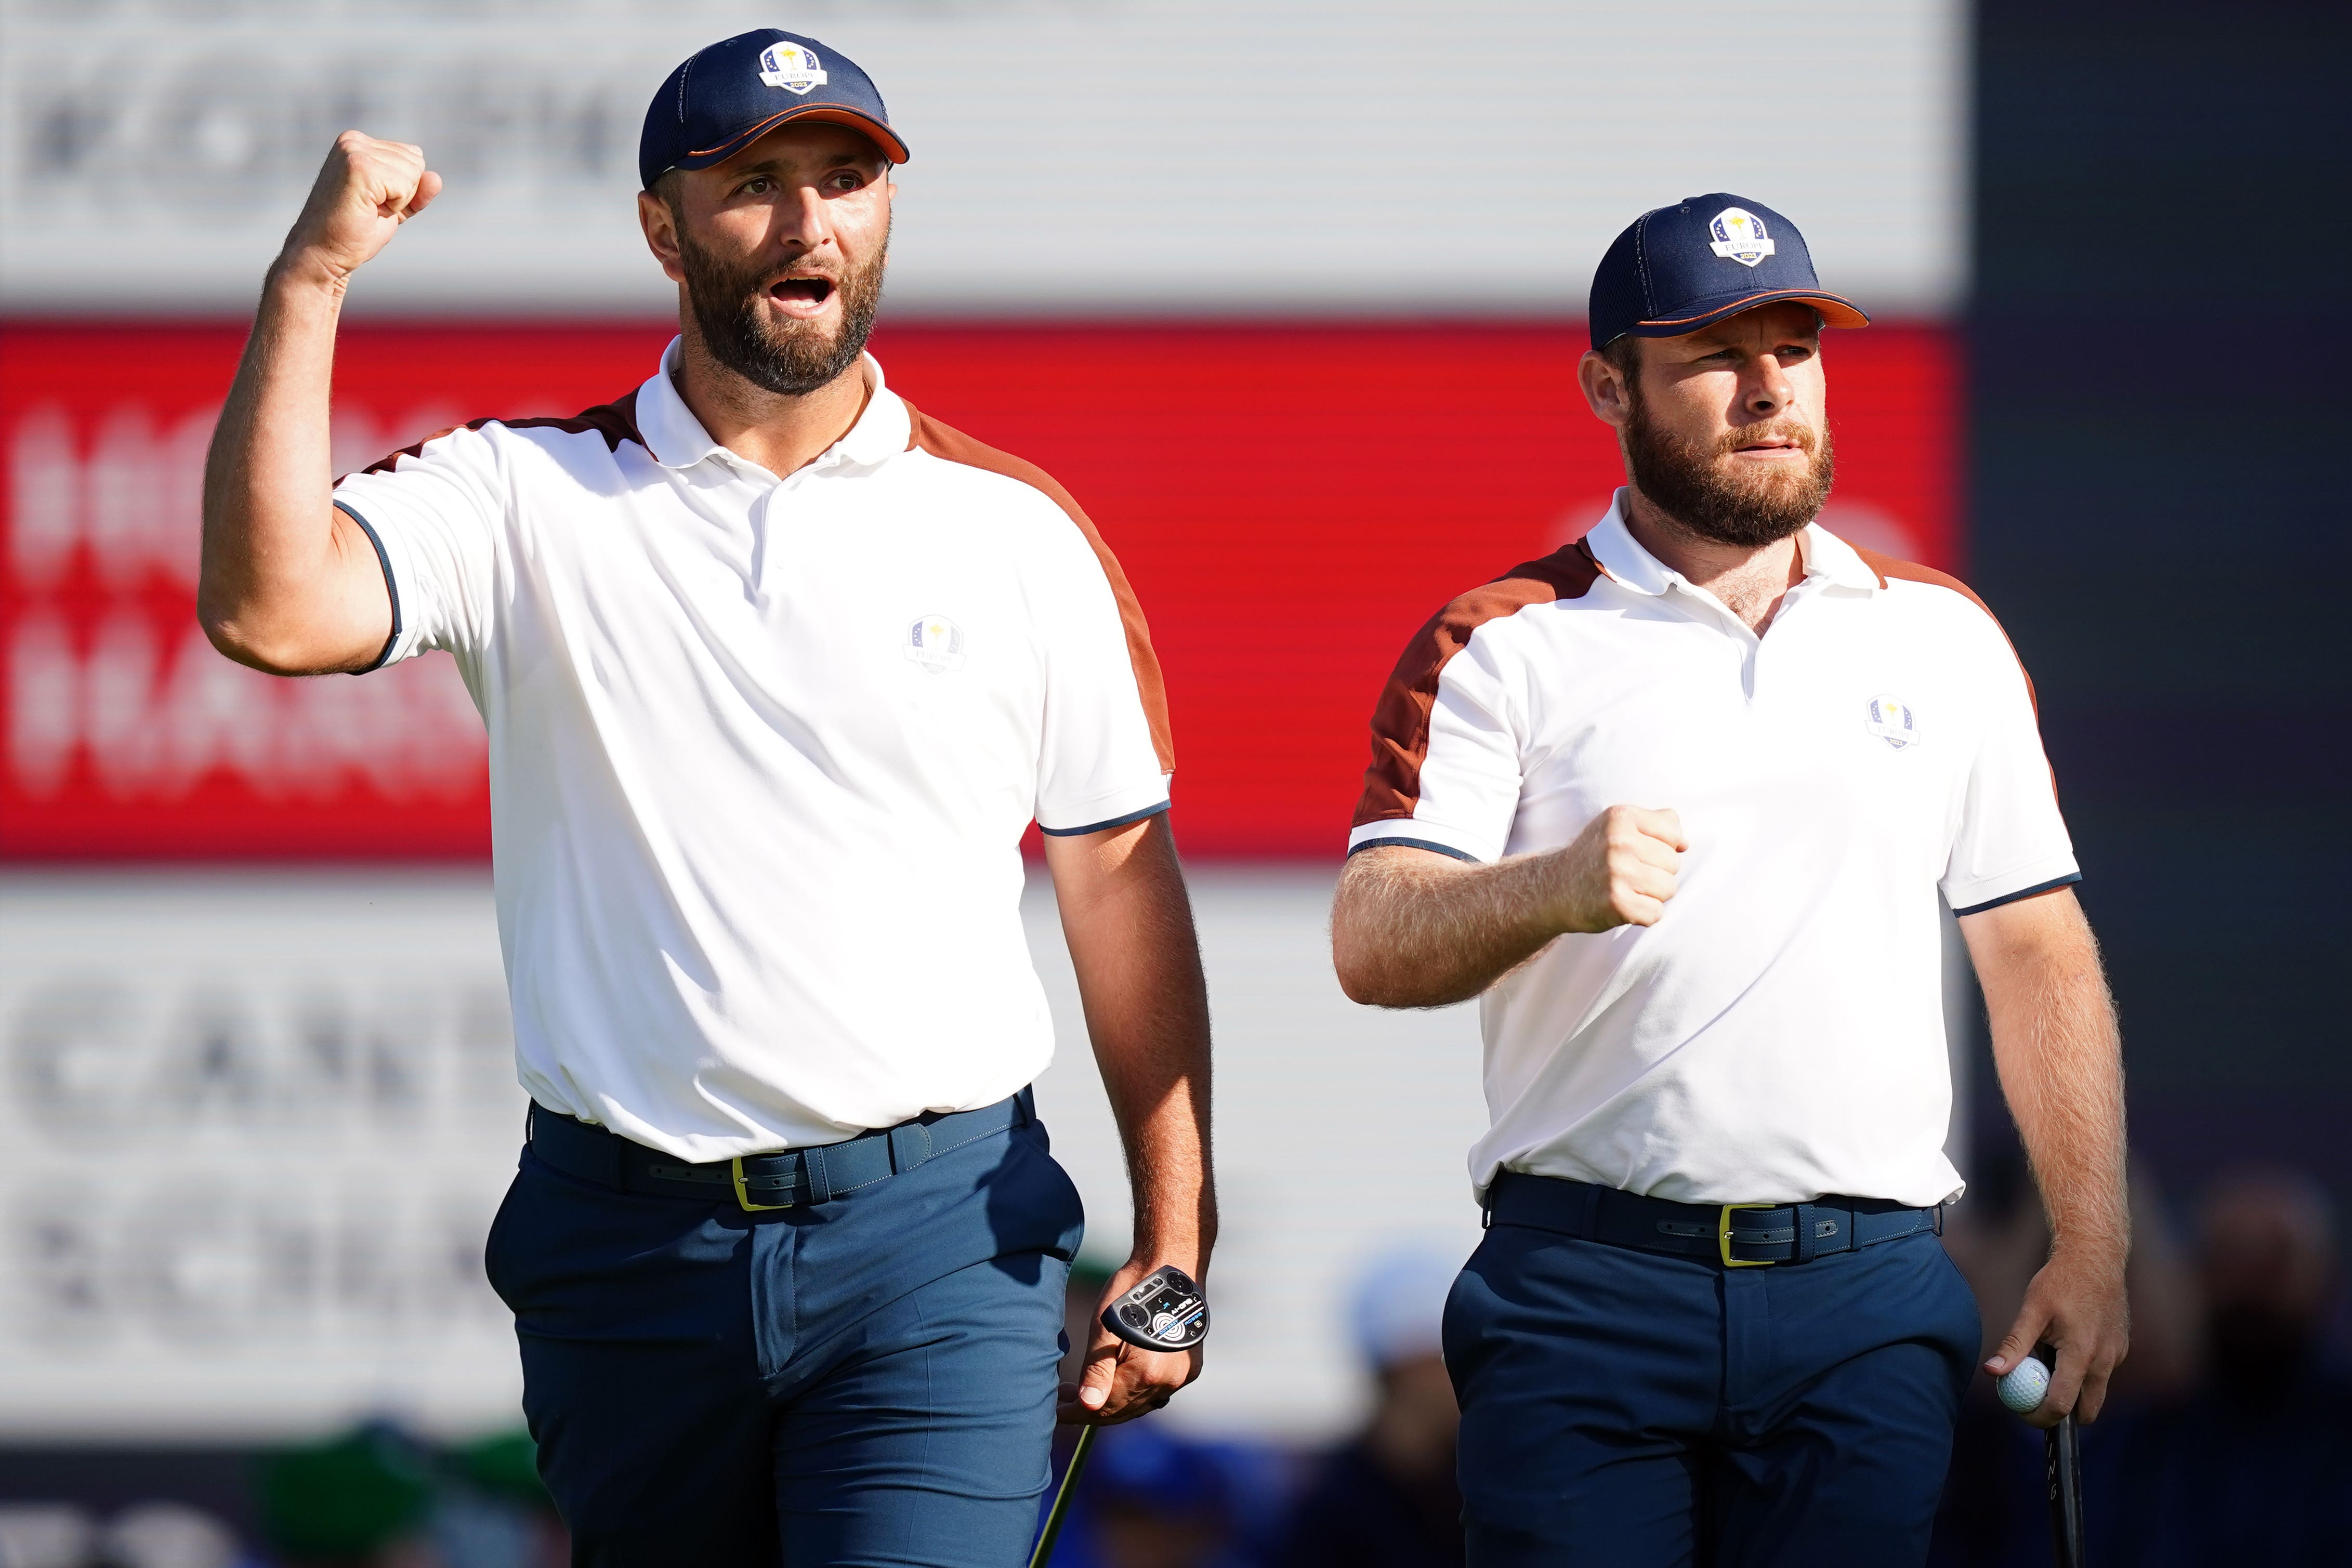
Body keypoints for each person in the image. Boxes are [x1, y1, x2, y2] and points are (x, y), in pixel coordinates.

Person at [196, 28, 1215, 1567]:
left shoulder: (1014, 533)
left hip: (939, 1240)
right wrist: (310, 283)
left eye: (846, 180)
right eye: (755, 184)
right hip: (626, 1250)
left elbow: (1120, 892)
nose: (810, 222)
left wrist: (1174, 1239)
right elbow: (270, 612)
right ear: (659, 229)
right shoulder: (521, 492)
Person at [1329, 194, 2130, 1564]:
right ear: (1605, 385)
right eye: (1712, 354)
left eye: (1795, 347)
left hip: (1866, 1295)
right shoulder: (1504, 642)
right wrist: (1553, 887)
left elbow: (2035, 949)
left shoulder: (1938, 635)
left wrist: (2089, 1239)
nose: (1769, 389)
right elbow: (1371, 938)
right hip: (1581, 1288)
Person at [1278, 1247, 1465, 1568]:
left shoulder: (1479, 1488)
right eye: (1450, 1360)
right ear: (1404, 1369)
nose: (1470, 1377)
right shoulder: (1333, 1507)